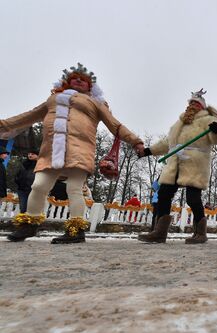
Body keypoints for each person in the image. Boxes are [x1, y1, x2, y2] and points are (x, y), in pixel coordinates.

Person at [0, 63, 144, 243]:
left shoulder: (95, 103)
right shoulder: (53, 99)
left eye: (84, 80)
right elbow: (27, 116)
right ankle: (29, 224)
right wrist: (3, 125)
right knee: (38, 186)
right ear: (66, 81)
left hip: (80, 150)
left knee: (74, 188)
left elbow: (115, 125)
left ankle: (76, 230)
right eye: (74, 77)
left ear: (90, 86)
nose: (78, 80)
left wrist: (135, 141)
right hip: (51, 151)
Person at [137, 89, 217, 244]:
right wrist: (148, 151)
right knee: (164, 195)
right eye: (190, 103)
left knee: (192, 198)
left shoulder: (208, 120)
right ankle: (159, 232)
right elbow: (167, 143)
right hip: (174, 165)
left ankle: (200, 233)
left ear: (201, 107)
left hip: (195, 164)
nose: (192, 105)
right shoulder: (178, 124)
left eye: (195, 103)